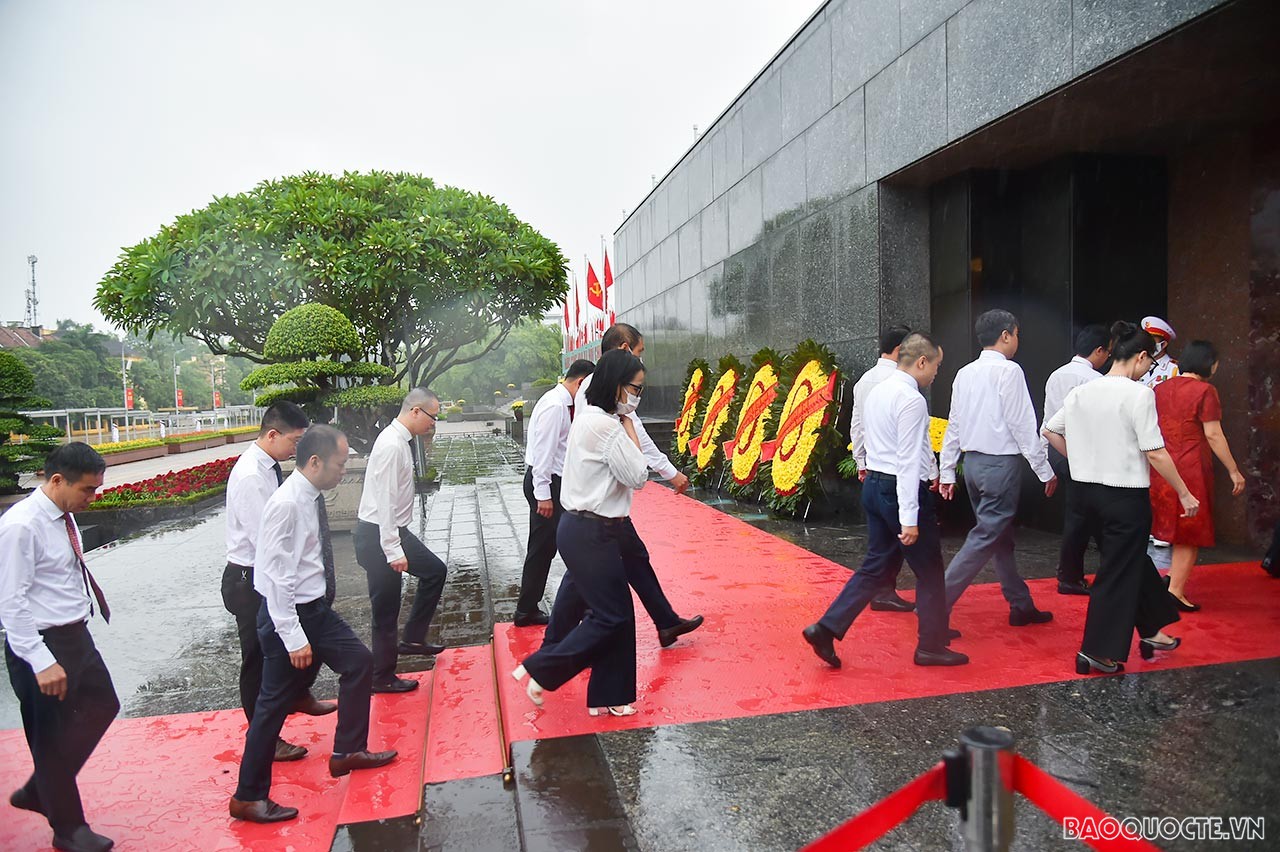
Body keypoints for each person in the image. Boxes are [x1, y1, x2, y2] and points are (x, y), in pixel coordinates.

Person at [231, 426, 395, 823]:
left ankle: (348, 751)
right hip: (290, 614)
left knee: (359, 663)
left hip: (315, 609)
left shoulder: (309, 497)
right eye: (340, 464)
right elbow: (271, 575)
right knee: (270, 708)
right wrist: (292, 636)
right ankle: (247, 797)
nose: (344, 471)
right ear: (316, 461)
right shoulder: (286, 503)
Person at [802, 333, 967, 668]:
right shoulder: (911, 399)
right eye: (936, 365)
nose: (936, 373)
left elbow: (877, 439)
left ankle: (827, 627)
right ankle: (931, 645)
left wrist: (929, 469)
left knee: (876, 566)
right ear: (922, 361)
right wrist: (910, 517)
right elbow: (907, 459)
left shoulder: (878, 390)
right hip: (898, 490)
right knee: (930, 571)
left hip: (875, 486)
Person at [1043, 322, 1196, 674]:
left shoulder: (1084, 391)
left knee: (1128, 561)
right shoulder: (1138, 394)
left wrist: (1078, 460)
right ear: (1141, 357)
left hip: (1084, 493)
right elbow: (1155, 452)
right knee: (1118, 570)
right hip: (1123, 496)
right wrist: (1184, 492)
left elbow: (1050, 430)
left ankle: (1154, 629)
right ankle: (1097, 651)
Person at [512, 349, 652, 716]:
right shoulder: (605, 425)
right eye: (635, 389)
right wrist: (629, 424)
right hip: (592, 531)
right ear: (618, 386)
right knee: (611, 617)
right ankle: (541, 668)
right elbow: (638, 475)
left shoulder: (589, 415)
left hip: (588, 529)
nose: (637, 397)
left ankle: (611, 697)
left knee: (616, 615)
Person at [553, 323, 702, 648]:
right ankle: (552, 650)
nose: (640, 361)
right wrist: (670, 471)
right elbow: (635, 443)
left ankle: (665, 621)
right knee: (584, 578)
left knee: (632, 558)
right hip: (596, 501)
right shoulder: (608, 388)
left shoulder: (608, 385)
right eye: (638, 352)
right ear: (623, 349)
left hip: (600, 500)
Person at [0, 443, 117, 852]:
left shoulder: (61, 517)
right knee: (49, 737)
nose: (92, 497)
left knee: (104, 705)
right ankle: (69, 830)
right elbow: (9, 601)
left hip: (74, 634)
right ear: (56, 480)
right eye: (87, 490)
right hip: (41, 642)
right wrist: (39, 660)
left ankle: (41, 789)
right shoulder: (21, 526)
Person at [224, 402, 335, 764]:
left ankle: (296, 693)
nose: (297, 450)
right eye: (294, 441)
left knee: (308, 633)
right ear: (272, 435)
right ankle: (266, 738)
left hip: (264, 571)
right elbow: (268, 542)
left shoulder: (267, 467)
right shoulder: (252, 476)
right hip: (250, 577)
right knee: (258, 660)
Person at [939, 309, 1057, 626]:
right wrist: (1044, 469)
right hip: (999, 466)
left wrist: (948, 470)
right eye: (1016, 334)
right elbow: (1022, 424)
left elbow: (955, 425)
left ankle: (1020, 604)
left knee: (998, 538)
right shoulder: (1009, 372)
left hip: (973, 465)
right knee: (984, 538)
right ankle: (935, 606)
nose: (1017, 341)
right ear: (1006, 334)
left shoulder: (964, 373)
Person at [354, 389, 448, 693]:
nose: (433, 424)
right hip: (379, 534)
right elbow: (384, 500)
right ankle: (381, 677)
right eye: (432, 417)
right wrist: (392, 549)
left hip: (393, 530)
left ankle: (413, 639)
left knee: (434, 571)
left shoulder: (399, 440)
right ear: (416, 411)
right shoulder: (392, 446)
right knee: (385, 610)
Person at [1149, 340, 1247, 612]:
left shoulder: (1160, 389)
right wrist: (1234, 470)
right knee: (1190, 530)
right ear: (1209, 363)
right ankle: (1176, 591)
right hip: (1191, 466)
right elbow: (1214, 434)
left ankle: (1172, 581)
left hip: (1163, 466)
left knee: (1175, 525)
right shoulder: (1205, 391)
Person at [514, 359, 595, 626]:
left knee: (545, 547)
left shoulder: (566, 404)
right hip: (547, 482)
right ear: (582, 382)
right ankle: (578, 607)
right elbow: (542, 454)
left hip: (553, 482)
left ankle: (527, 609)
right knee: (567, 544)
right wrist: (543, 495)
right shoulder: (555, 405)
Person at [848, 324, 922, 613]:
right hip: (896, 470)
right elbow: (914, 437)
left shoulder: (865, 379)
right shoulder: (901, 381)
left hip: (874, 468)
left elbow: (858, 425)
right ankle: (890, 592)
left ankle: (881, 591)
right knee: (910, 543)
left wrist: (861, 462)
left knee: (880, 543)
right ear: (901, 349)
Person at [1042, 324, 1111, 595]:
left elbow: (1048, 417)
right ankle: (1070, 576)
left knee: (1080, 514)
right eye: (1107, 352)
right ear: (1099, 351)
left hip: (1056, 450)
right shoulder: (1095, 381)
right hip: (1082, 453)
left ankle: (1071, 574)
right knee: (1083, 516)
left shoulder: (1056, 375)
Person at [1140, 316, 1179, 388]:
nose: (1146, 344)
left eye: (1151, 341)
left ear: (1163, 344)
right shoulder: (1137, 364)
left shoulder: (1174, 369)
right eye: (1145, 340)